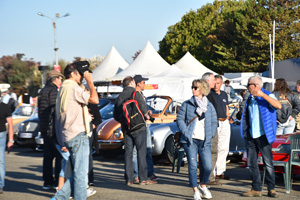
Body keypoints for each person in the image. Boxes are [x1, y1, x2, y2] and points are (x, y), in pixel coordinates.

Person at [51, 61, 98, 200]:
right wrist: (90, 82)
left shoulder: (63, 87)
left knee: (76, 174)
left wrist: (83, 114)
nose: (83, 77)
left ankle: (58, 198)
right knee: (81, 175)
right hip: (79, 135)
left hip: (70, 135)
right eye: (81, 74)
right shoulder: (73, 87)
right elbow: (95, 99)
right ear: (72, 74)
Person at [240, 76, 281, 198]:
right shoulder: (249, 98)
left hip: (264, 135)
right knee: (252, 162)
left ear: (255, 86)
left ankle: (271, 189)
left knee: (268, 163)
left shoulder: (268, 95)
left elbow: (278, 106)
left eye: (249, 85)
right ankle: (256, 189)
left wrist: (262, 95)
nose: (247, 88)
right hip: (251, 134)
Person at [177, 79, 218, 200]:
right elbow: (179, 119)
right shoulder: (187, 104)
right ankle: (195, 190)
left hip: (205, 140)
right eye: (192, 87)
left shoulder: (209, 106)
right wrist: (185, 131)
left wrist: (210, 134)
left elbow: (214, 122)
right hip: (190, 140)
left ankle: (203, 185)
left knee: (208, 167)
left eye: (195, 87)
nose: (193, 89)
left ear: (202, 89)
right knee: (193, 166)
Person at [113, 76, 156, 186]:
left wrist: (125, 122)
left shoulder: (119, 97)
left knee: (128, 153)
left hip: (126, 128)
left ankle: (129, 179)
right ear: (132, 82)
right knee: (141, 152)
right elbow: (144, 111)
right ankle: (143, 178)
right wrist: (149, 117)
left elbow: (115, 115)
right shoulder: (135, 94)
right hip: (139, 127)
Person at [38, 70, 64, 190]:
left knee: (47, 156)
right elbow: (55, 110)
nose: (61, 81)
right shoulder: (53, 91)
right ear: (55, 79)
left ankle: (47, 181)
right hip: (51, 127)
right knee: (59, 155)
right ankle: (58, 182)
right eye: (60, 78)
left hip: (43, 126)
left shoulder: (43, 91)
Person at [132, 75, 159, 183]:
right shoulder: (134, 94)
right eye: (143, 82)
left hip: (144, 124)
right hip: (138, 125)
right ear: (138, 83)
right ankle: (137, 174)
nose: (144, 84)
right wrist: (146, 114)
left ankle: (149, 173)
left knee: (147, 150)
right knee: (136, 151)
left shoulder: (141, 94)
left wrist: (147, 112)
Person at [205, 74, 231, 183]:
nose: (216, 85)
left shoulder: (224, 94)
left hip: (225, 121)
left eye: (218, 83)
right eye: (214, 83)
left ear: (221, 84)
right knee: (214, 148)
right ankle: (213, 172)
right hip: (215, 123)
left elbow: (226, 106)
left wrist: (228, 115)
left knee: (224, 147)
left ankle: (220, 171)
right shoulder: (209, 94)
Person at [0, 99, 14, 194]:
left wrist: (10, 140)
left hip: (1, 135)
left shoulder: (5, 106)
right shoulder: (5, 106)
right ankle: (0, 184)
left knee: (1, 160)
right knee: (1, 160)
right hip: (1, 134)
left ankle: (1, 184)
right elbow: (10, 124)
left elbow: (10, 124)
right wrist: (10, 140)